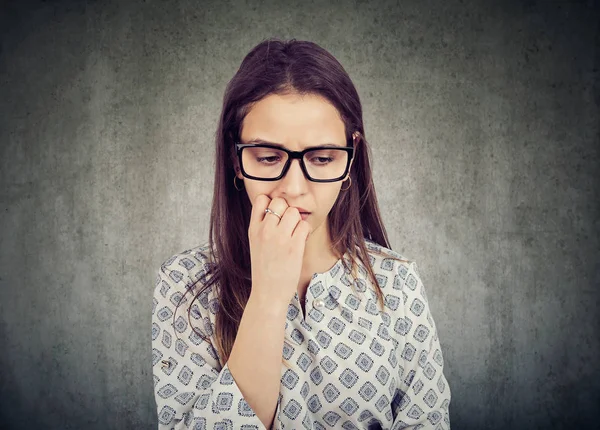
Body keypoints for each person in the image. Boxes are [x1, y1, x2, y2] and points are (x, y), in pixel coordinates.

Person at [152, 38, 451, 430]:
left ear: (350, 158)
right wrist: (269, 299)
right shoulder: (185, 287)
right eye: (269, 157)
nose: (294, 188)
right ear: (235, 160)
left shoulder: (396, 283)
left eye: (322, 158)